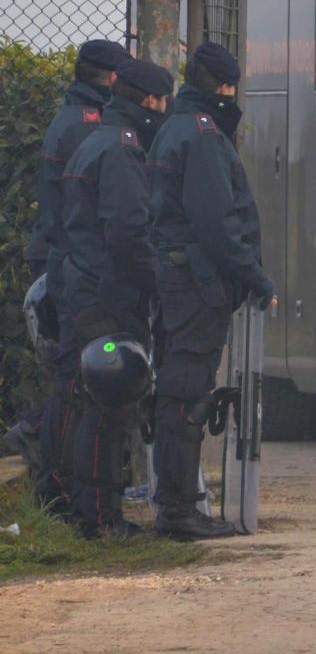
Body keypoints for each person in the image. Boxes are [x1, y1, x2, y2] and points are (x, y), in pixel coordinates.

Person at [148, 41, 274, 541]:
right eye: (229, 88)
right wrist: (254, 277)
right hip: (196, 284)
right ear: (222, 87)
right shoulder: (201, 137)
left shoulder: (176, 127)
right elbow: (218, 222)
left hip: (182, 278)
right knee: (186, 394)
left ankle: (176, 503)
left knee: (180, 390)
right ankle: (178, 509)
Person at [54, 56, 172, 537]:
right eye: (163, 101)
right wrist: (155, 282)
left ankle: (88, 509)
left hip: (85, 286)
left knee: (91, 401)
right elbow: (127, 231)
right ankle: (101, 518)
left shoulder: (97, 140)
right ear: (148, 101)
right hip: (108, 295)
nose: (165, 109)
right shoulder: (122, 150)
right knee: (110, 402)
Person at [7, 39, 129, 493]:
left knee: (76, 368)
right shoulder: (87, 124)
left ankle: (55, 466)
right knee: (79, 370)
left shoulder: (77, 117)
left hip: (64, 254)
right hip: (73, 259)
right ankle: (47, 453)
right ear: (112, 79)